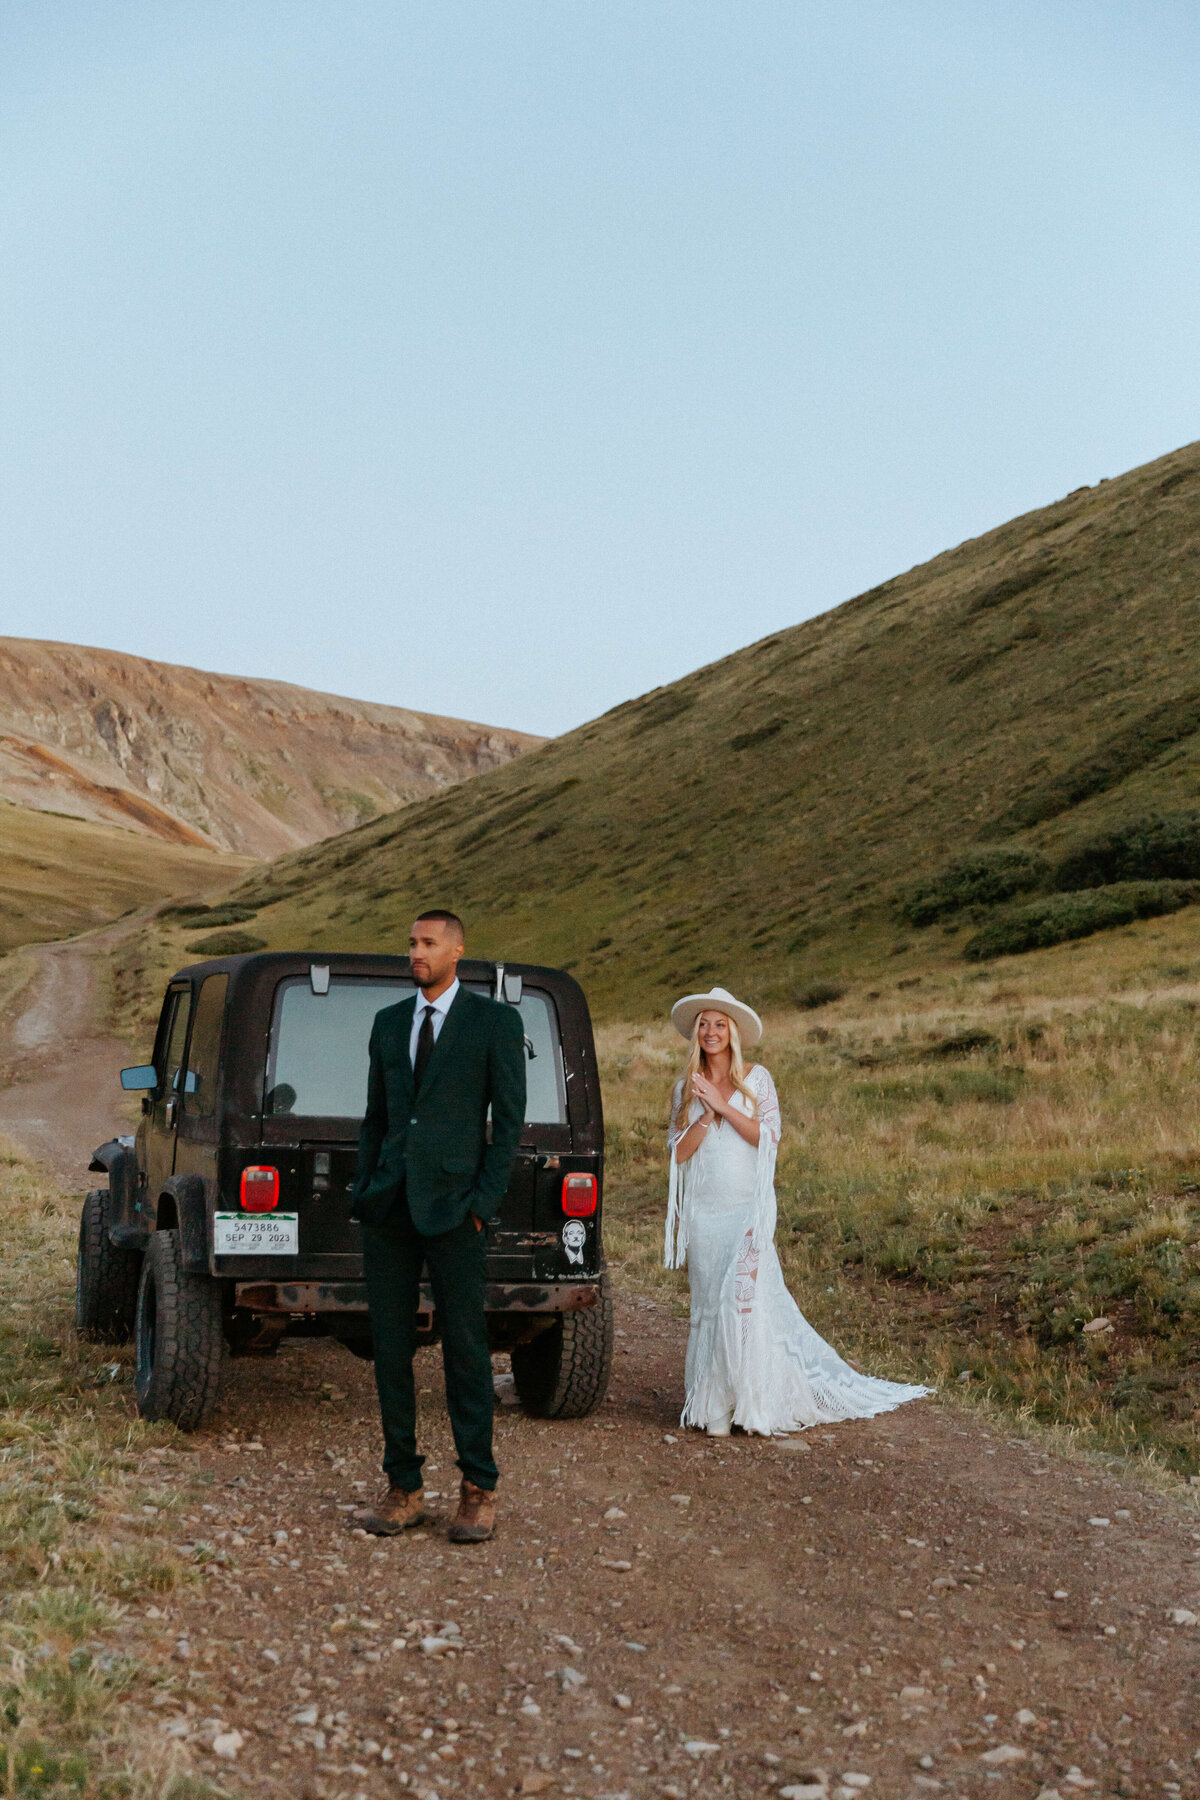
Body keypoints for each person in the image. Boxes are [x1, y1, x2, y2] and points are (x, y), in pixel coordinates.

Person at [665, 986, 929, 1436]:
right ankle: (714, 1406)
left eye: (720, 1024)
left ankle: (751, 1402)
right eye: (704, 1023)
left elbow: (769, 1136)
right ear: (696, 1033)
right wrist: (706, 1112)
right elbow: (678, 1153)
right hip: (705, 1215)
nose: (711, 1031)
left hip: (746, 1212)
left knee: (741, 1303)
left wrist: (724, 1104)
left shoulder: (757, 1078)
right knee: (711, 1303)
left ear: (733, 1033)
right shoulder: (685, 1088)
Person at [350, 911, 526, 1542]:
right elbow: (375, 1115)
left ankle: (478, 1487)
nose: (415, 953)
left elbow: (507, 1124)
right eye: (411, 943)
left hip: (456, 1209)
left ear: (457, 950)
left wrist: (482, 1202)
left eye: (427, 944)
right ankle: (403, 1487)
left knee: (466, 1348)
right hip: (389, 1208)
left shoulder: (495, 1023)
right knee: (390, 1350)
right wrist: (364, 1188)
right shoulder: (389, 1023)